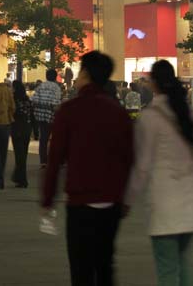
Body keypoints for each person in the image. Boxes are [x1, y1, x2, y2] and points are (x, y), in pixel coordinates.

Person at [42, 51, 134, 286]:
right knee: (105, 264)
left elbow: (55, 160)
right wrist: (124, 197)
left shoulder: (70, 110)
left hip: (80, 201)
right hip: (111, 202)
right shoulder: (117, 112)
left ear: (85, 73)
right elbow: (128, 158)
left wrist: (48, 198)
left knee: (81, 268)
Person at [125, 60, 193, 286]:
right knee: (183, 264)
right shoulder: (191, 114)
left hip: (165, 205)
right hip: (192, 203)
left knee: (167, 270)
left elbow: (142, 166)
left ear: (153, 83)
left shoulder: (150, 117)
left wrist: (127, 199)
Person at [31, 69, 62, 168]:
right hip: (51, 116)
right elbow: (55, 103)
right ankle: (55, 160)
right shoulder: (56, 88)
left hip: (40, 116)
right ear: (55, 76)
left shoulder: (40, 86)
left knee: (43, 139)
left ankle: (43, 161)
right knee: (56, 139)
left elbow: (33, 100)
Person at [10, 80, 34, 189]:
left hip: (17, 129)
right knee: (23, 154)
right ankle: (18, 177)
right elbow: (32, 115)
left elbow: (12, 113)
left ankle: (22, 180)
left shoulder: (14, 99)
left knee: (19, 156)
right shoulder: (27, 99)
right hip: (27, 129)